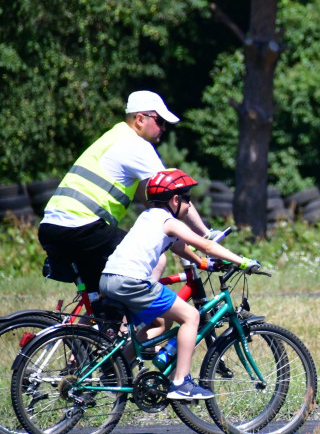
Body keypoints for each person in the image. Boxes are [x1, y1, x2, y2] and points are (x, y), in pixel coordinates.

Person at [99, 169, 259, 401]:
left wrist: (203, 264)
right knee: (191, 316)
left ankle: (115, 370)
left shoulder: (147, 217)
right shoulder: (169, 221)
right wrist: (242, 261)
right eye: (188, 200)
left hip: (110, 278)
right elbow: (207, 245)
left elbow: (180, 247)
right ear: (175, 200)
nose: (189, 205)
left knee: (162, 321)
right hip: (132, 281)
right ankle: (181, 382)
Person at [38, 90, 213, 294]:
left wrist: (178, 236)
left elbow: (158, 207)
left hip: (54, 225)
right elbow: (174, 192)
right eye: (160, 121)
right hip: (81, 226)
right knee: (153, 258)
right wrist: (205, 235)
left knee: (103, 300)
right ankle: (136, 317)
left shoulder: (114, 136)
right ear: (140, 119)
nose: (164, 128)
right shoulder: (136, 145)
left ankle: (92, 327)